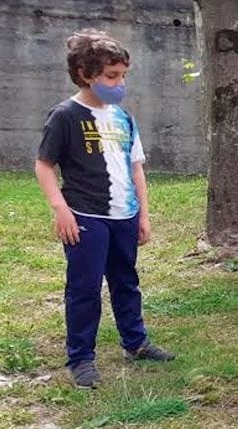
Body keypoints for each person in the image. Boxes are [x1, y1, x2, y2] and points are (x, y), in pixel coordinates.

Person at [33, 29, 174, 389]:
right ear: (84, 73)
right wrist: (61, 210)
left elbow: (136, 167)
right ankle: (81, 358)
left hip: (123, 217)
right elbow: (44, 165)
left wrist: (142, 214)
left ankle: (136, 342)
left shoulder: (124, 118)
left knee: (126, 281)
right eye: (111, 76)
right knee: (84, 288)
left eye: (123, 75)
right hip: (85, 218)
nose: (119, 83)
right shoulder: (65, 116)